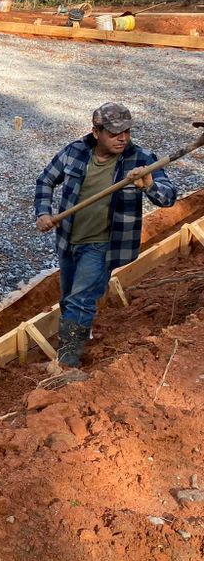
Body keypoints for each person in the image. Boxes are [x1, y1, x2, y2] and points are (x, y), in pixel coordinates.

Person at [35, 102, 177, 368]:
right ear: (96, 131)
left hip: (103, 245)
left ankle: (66, 364)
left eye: (126, 131)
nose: (122, 138)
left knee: (81, 299)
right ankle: (77, 340)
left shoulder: (141, 160)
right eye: (114, 133)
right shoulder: (74, 152)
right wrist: (42, 212)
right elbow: (45, 181)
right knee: (68, 298)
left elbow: (168, 197)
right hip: (68, 241)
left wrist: (149, 184)